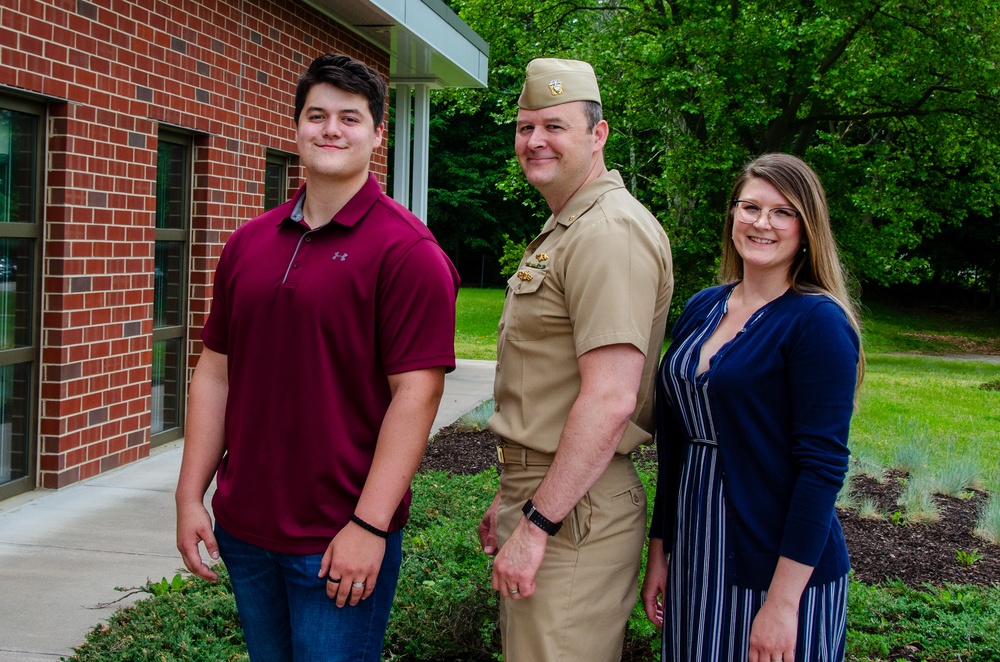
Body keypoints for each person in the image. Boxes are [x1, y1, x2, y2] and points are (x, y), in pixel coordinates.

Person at [174, 53, 459, 661]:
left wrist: (371, 526)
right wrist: (189, 496)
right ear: (296, 127)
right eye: (317, 115)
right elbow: (214, 373)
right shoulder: (248, 243)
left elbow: (418, 395)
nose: (331, 130)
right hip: (245, 531)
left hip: (338, 539)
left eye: (350, 118)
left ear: (378, 134)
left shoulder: (408, 252)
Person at [477, 57, 674, 662]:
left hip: (570, 512)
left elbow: (611, 399)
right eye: (525, 126)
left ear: (598, 134)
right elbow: (551, 384)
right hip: (551, 491)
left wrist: (536, 523)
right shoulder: (568, 227)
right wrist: (512, 493)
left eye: (554, 126)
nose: (535, 140)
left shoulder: (607, 233)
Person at [641, 153, 863, 662]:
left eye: (783, 212)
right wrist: (661, 552)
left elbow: (822, 470)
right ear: (733, 216)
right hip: (696, 549)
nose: (762, 223)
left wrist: (783, 605)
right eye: (751, 207)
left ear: (807, 230)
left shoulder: (818, 323)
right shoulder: (704, 306)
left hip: (779, 567)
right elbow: (676, 445)